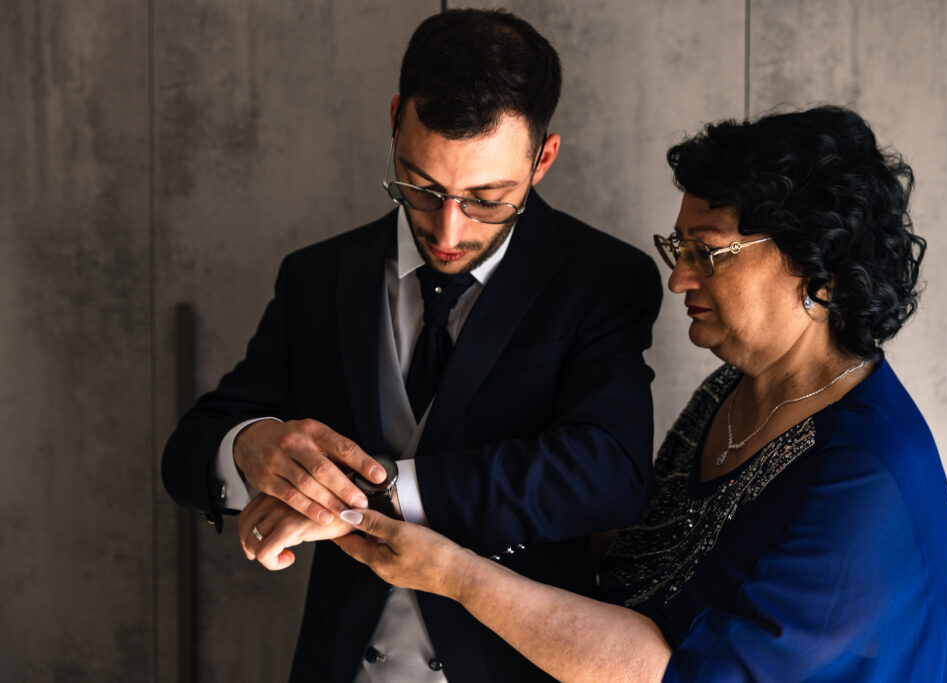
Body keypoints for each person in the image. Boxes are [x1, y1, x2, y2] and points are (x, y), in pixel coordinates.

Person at [328, 106, 947, 681]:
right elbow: (633, 550)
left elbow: (662, 672)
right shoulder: (733, 390)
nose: (677, 279)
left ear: (820, 267)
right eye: (678, 247)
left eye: (707, 252)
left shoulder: (862, 475)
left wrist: (456, 574)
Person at [161, 8, 662, 682]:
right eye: (421, 187)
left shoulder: (603, 280)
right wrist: (251, 445)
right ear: (396, 118)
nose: (449, 229)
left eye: (488, 198)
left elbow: (606, 472)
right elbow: (190, 449)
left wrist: (379, 491)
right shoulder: (317, 277)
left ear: (543, 158)